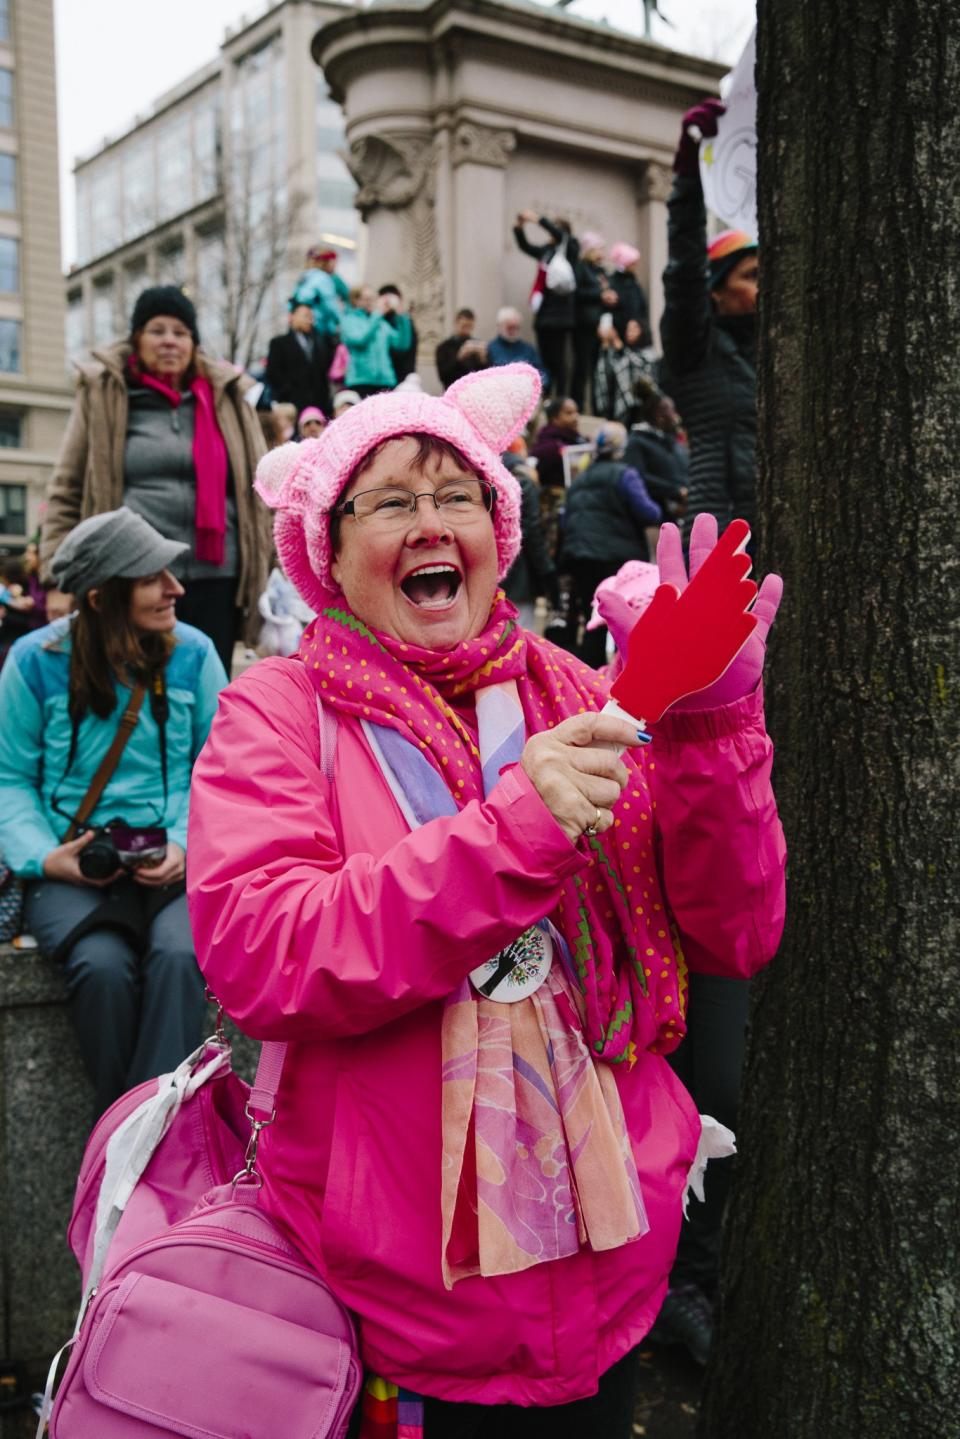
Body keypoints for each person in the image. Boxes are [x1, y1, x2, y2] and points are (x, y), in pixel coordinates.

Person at [186, 361, 785, 1436]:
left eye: (456, 493)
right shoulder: (275, 712)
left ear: (497, 529)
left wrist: (714, 727)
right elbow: (264, 952)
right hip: (397, 1308)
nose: (432, 521)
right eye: (394, 500)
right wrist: (521, 829)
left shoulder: (580, 687)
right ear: (329, 548)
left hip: (613, 1273)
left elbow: (733, 931)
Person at [0, 508, 227, 1118]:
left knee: (183, 958)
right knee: (100, 968)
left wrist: (181, 845)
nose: (177, 588)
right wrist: (49, 858)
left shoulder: (197, 656)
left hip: (177, 859)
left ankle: (150, 1142)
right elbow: (10, 779)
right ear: (101, 597)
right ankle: (130, 1140)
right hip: (69, 862)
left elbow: (219, 772)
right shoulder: (32, 662)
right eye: (154, 576)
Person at [42, 285, 271, 675]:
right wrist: (56, 577)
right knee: (131, 689)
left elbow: (264, 490)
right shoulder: (105, 395)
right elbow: (68, 488)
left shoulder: (230, 398)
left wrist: (276, 568)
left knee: (205, 691)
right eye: (157, 330)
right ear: (136, 340)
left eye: (180, 333)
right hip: (132, 575)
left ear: (194, 344)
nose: (169, 341)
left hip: (218, 577)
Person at [660, 97, 758, 537]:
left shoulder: (780, 350)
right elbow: (684, 271)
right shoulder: (694, 346)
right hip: (715, 542)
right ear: (715, 289)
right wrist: (689, 179)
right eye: (752, 275)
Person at [560, 424, 662, 666]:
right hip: (618, 560)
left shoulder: (579, 480)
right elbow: (648, 512)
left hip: (581, 557)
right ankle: (622, 679)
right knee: (623, 622)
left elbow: (566, 521)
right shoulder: (625, 474)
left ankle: (592, 683)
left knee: (593, 620)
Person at [513, 212, 578, 397]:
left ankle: (561, 397)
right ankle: (547, 395)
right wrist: (519, 228)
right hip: (544, 315)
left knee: (559, 360)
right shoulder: (547, 251)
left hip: (561, 316)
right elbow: (525, 246)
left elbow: (560, 235)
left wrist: (537, 219)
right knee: (545, 358)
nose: (551, 233)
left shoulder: (571, 247)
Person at [501, 444, 558, 630]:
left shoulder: (483, 476)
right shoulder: (524, 482)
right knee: (519, 636)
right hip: (520, 576)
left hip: (492, 578)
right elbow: (532, 532)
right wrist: (547, 572)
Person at [624, 379, 689, 523]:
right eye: (672, 412)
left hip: (682, 514)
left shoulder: (671, 441)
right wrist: (675, 491)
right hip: (657, 519)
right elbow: (637, 477)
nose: (676, 417)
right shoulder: (637, 442)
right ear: (659, 417)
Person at [341, 286, 414, 397]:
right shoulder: (349, 320)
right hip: (361, 381)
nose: (371, 302)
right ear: (356, 301)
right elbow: (360, 340)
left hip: (385, 381)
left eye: (373, 299)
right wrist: (378, 314)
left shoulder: (380, 322)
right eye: (367, 299)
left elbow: (401, 345)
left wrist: (402, 318)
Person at [265, 303, 333, 420]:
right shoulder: (279, 343)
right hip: (292, 405)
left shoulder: (319, 342)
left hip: (318, 405)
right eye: (306, 316)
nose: (310, 320)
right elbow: (273, 373)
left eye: (311, 317)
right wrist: (287, 392)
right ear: (292, 317)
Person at [571, 232, 614, 412]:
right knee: (581, 368)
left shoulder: (601, 272)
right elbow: (576, 293)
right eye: (598, 249)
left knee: (598, 370)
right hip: (583, 326)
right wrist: (600, 295)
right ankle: (578, 407)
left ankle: (598, 408)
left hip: (600, 327)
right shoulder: (580, 268)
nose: (601, 253)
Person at [593, 316, 654, 424]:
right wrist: (606, 346)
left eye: (635, 328)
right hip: (617, 407)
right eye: (628, 329)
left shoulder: (649, 353)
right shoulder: (622, 352)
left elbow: (638, 365)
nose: (630, 332)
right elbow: (606, 372)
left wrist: (618, 345)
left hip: (640, 409)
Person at [291, 246, 350, 340]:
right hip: (318, 326)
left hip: (299, 323)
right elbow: (331, 305)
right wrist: (344, 322)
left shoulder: (305, 276)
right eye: (333, 262)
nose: (335, 266)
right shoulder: (323, 278)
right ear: (326, 262)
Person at [529, 395, 585, 490]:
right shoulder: (548, 446)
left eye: (576, 412)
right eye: (569, 413)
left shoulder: (578, 440)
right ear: (555, 418)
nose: (575, 417)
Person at [486, 307, 549, 384]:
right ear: (499, 327)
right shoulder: (489, 349)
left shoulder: (528, 349)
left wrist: (539, 383)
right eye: (510, 328)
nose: (514, 331)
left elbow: (542, 374)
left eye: (516, 327)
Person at [607, 243, 652, 349]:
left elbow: (641, 305)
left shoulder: (632, 281)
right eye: (633, 263)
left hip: (634, 329)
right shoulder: (615, 282)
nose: (635, 266)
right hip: (621, 330)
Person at [435, 308, 489, 389]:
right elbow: (443, 376)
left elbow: (485, 375)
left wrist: (483, 359)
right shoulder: (443, 347)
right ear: (456, 323)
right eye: (464, 326)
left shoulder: (477, 345)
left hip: (475, 389)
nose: (467, 329)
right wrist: (459, 357)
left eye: (469, 326)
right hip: (453, 390)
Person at [378, 284, 419, 382]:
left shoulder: (404, 321)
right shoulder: (378, 321)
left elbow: (405, 346)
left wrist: (400, 314)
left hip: (403, 375)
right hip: (383, 377)